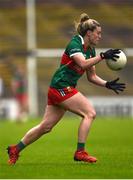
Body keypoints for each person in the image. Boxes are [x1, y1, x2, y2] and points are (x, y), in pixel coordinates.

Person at [7, 13, 125, 164]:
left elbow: (92, 76)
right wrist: (102, 56)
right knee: (90, 113)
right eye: (98, 33)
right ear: (89, 33)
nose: (100, 36)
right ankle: (80, 152)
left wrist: (107, 84)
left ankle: (15, 149)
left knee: (46, 127)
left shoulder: (91, 50)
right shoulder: (75, 44)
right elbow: (82, 64)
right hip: (61, 87)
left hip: (59, 88)